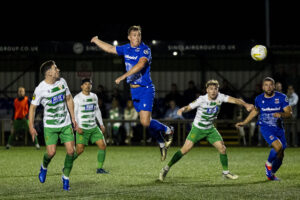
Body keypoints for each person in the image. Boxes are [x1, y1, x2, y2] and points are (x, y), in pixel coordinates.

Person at [91, 25, 174, 161]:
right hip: (134, 91)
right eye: (134, 35)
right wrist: (96, 40)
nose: (137, 38)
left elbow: (141, 65)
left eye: (139, 35)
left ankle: (168, 130)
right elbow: (110, 48)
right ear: (129, 37)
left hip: (146, 89)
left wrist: (123, 76)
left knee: (146, 122)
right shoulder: (126, 48)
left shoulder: (145, 49)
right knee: (145, 121)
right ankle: (161, 142)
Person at [159, 80, 254, 181]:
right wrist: (182, 109)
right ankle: (166, 168)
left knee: (222, 148)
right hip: (197, 129)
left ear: (218, 90)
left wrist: (246, 105)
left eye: (215, 89)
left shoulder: (220, 97)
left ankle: (225, 173)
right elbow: (189, 107)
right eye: (211, 89)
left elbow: (235, 100)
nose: (213, 91)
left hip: (210, 129)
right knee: (184, 150)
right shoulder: (201, 99)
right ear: (207, 90)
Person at [29, 60, 77, 191]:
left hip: (65, 123)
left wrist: (73, 117)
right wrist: (31, 126)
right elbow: (32, 108)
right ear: (49, 72)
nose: (58, 70)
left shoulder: (62, 82)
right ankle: (44, 166)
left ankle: (65, 177)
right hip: (50, 126)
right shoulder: (40, 89)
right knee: (51, 152)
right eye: (55, 68)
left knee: (71, 151)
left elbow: (68, 98)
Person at [235, 77, 292, 181]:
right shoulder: (259, 99)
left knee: (281, 154)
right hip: (266, 127)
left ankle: (271, 174)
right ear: (262, 87)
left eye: (271, 85)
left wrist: (281, 114)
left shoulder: (282, 97)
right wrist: (244, 122)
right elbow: (255, 111)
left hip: (279, 128)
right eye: (266, 85)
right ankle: (268, 164)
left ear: (274, 86)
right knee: (278, 147)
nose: (268, 87)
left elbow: (289, 113)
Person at [73, 78, 108, 173]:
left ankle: (99, 168)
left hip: (93, 127)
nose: (87, 85)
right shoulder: (77, 98)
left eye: (89, 84)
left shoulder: (94, 96)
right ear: (81, 86)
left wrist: (101, 124)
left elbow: (97, 111)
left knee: (102, 145)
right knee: (79, 150)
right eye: (85, 84)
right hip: (82, 128)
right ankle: (68, 162)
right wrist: (77, 126)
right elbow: (74, 113)